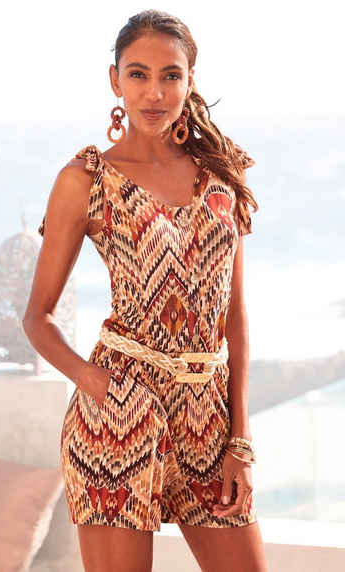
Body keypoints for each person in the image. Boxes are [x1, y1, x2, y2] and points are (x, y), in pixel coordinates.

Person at [22, 9, 268, 572]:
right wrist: (97, 383)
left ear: (190, 79)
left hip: (209, 418)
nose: (154, 93)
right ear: (115, 81)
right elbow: (37, 317)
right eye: (138, 74)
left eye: (170, 75)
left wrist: (240, 439)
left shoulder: (221, 177)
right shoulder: (86, 180)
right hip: (119, 415)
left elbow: (235, 318)